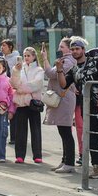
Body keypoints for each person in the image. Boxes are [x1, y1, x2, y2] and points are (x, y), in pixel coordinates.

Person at [58, 36, 98, 179]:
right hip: (87, 108)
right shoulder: (74, 70)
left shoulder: (96, 61)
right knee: (92, 139)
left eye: (77, 49)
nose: (75, 51)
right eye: (72, 49)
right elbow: (63, 85)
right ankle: (97, 167)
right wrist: (59, 70)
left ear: (83, 49)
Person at [41, 39, 77, 173]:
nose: (59, 49)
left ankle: (69, 163)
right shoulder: (63, 60)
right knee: (63, 131)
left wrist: (45, 59)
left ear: (68, 48)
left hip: (65, 99)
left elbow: (51, 73)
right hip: (62, 99)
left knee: (66, 132)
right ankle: (64, 160)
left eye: (62, 47)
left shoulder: (68, 61)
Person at [11, 47, 44, 164]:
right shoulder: (19, 69)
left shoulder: (39, 70)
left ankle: (37, 155)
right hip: (21, 103)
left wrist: (20, 88)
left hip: (33, 103)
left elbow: (37, 84)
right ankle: (20, 155)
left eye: (28, 55)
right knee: (20, 131)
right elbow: (13, 83)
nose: (26, 58)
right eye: (25, 55)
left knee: (36, 130)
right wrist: (16, 71)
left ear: (34, 57)